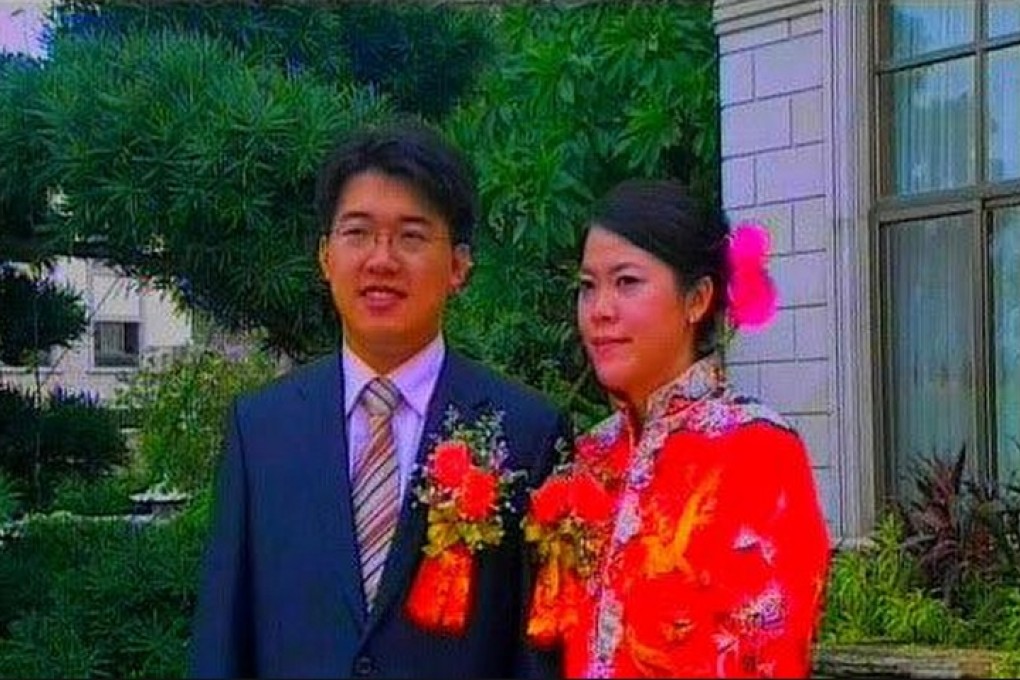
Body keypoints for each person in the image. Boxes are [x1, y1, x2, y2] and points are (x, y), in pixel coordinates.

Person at [190, 122, 569, 679]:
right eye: (358, 232)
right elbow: (222, 641)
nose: (381, 259)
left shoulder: (527, 433)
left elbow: (537, 653)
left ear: (459, 265)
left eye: (411, 236)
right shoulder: (261, 429)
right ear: (325, 257)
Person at [523, 179, 831, 678]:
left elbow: (769, 654)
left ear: (697, 299)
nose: (600, 310)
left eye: (627, 282)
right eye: (588, 286)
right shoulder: (590, 456)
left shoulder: (756, 450)